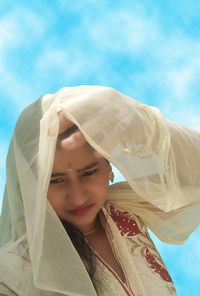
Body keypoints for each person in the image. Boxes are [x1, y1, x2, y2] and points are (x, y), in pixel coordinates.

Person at [0, 86, 200, 295]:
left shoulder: (125, 211)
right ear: (31, 185)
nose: (77, 198)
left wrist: (140, 125)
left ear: (109, 167)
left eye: (88, 173)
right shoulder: (14, 271)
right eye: (56, 180)